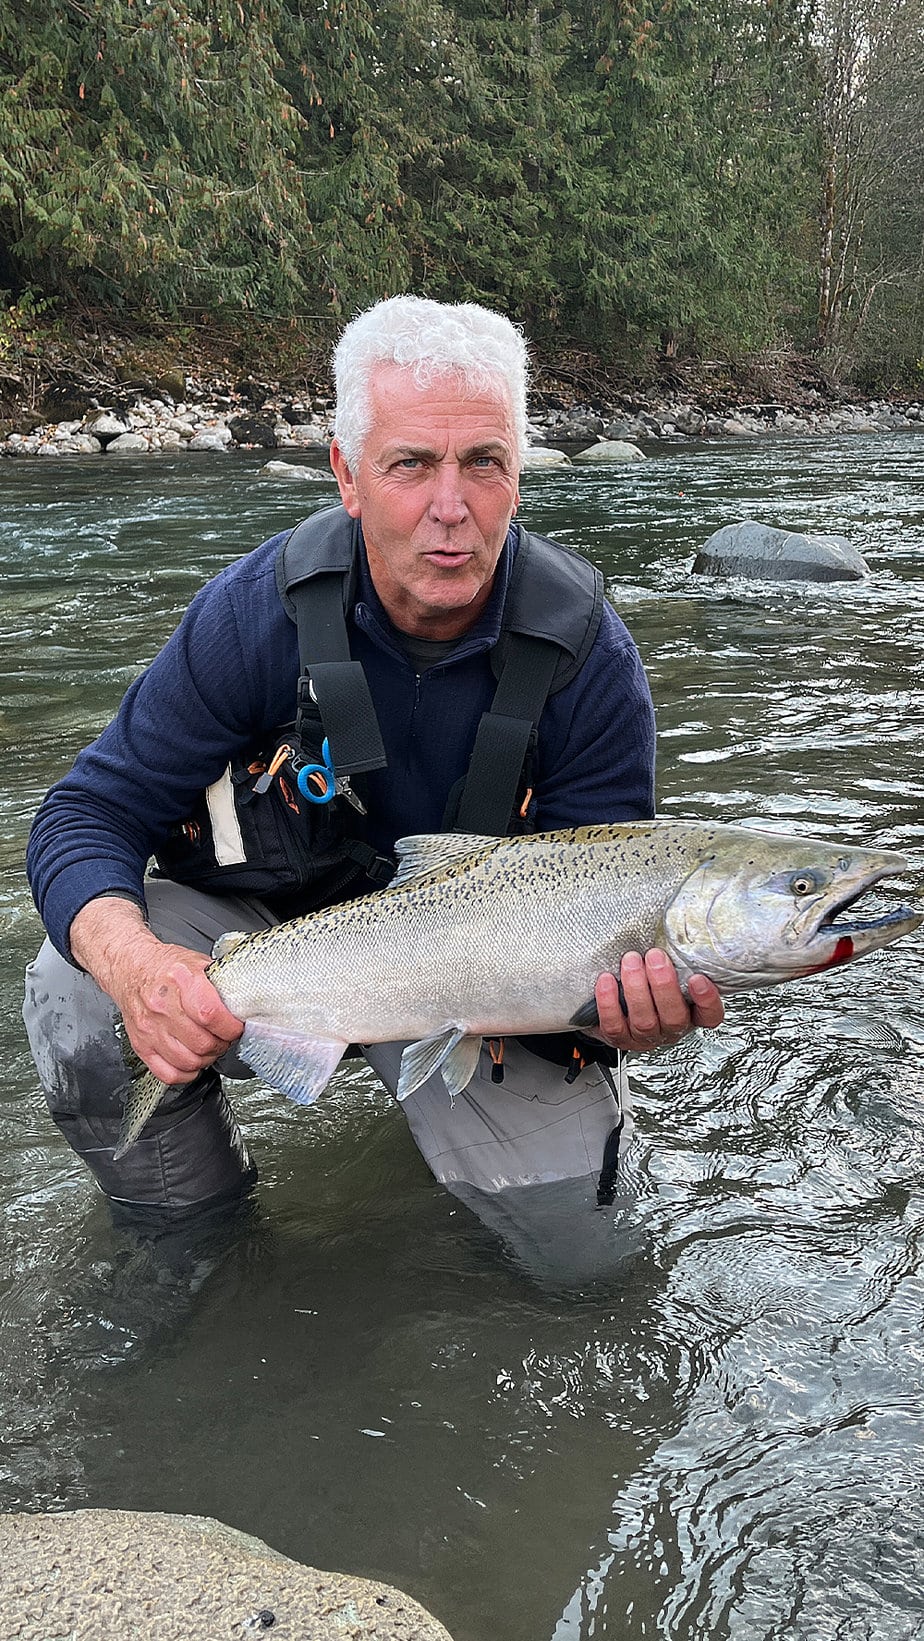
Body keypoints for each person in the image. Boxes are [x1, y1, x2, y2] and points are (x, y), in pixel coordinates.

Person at [23, 294, 723, 1225]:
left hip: (480, 992)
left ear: (520, 476)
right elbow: (84, 815)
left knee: (583, 1259)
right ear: (346, 476)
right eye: (412, 466)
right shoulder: (252, 615)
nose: (451, 507)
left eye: (484, 464)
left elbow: (596, 913)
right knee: (75, 984)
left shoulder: (587, 661)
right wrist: (137, 967)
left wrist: (631, 1014)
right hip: (270, 949)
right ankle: (195, 1239)